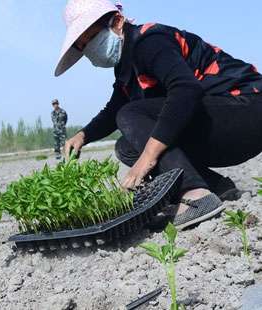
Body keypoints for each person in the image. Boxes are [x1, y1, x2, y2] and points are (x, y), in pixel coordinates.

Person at [55, 0, 262, 230]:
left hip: (246, 109)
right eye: (84, 46)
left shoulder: (149, 40)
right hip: (218, 122)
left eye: (91, 38)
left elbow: (185, 90)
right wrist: (83, 135)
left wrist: (148, 158)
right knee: (127, 146)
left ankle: (195, 193)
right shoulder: (126, 66)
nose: (90, 50)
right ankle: (215, 186)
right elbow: (114, 109)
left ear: (118, 21)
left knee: (132, 118)